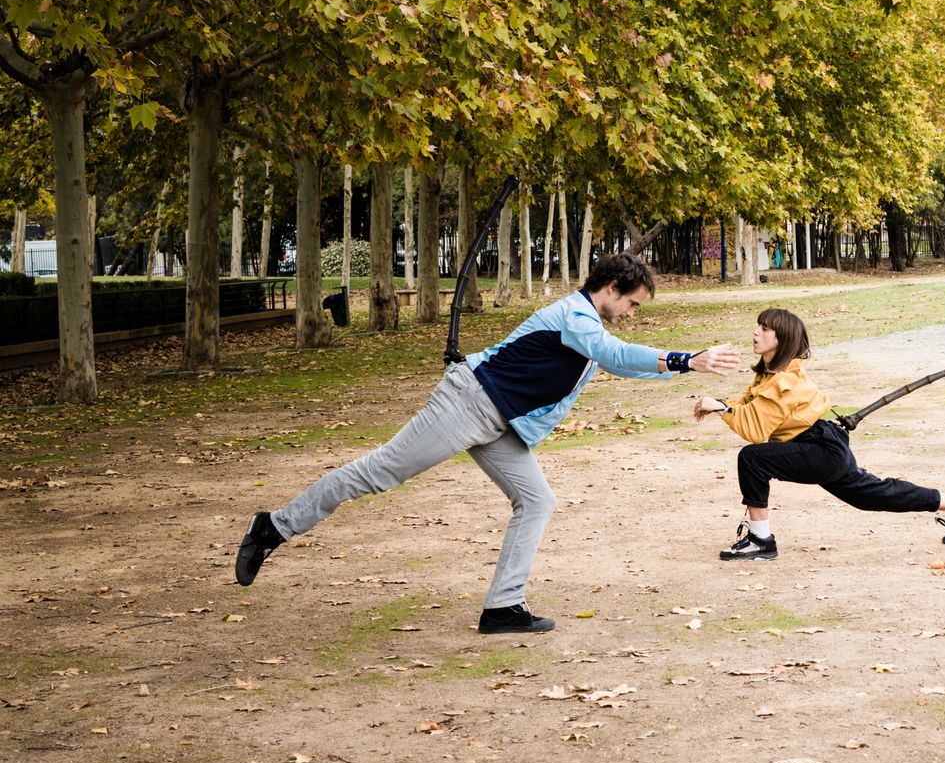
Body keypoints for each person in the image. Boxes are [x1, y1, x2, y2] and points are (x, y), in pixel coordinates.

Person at [235, 253, 741, 633]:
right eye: (631, 303)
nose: (632, 312)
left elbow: (616, 360)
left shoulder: (588, 324)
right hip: (469, 403)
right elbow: (613, 351)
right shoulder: (577, 317)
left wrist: (686, 368)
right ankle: (273, 527)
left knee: (537, 500)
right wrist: (684, 359)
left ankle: (502, 608)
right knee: (378, 472)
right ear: (611, 288)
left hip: (501, 423)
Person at [692, 308, 945, 560]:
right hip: (821, 443)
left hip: (820, 447)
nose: (756, 332)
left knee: (753, 458)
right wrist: (723, 405)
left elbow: (755, 429)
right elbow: (748, 405)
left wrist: (719, 407)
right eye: (758, 326)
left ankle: (760, 540)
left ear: (782, 339)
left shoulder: (784, 381)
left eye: (765, 328)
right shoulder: (771, 373)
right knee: (874, 495)